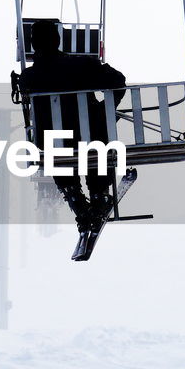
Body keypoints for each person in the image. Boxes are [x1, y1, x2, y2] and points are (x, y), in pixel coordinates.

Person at [15, 18, 126, 229]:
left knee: (56, 149)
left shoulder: (28, 77)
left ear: (33, 44)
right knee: (96, 141)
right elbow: (118, 81)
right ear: (57, 40)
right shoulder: (83, 65)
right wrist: (105, 111)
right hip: (90, 138)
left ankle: (75, 199)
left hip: (54, 143)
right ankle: (99, 194)